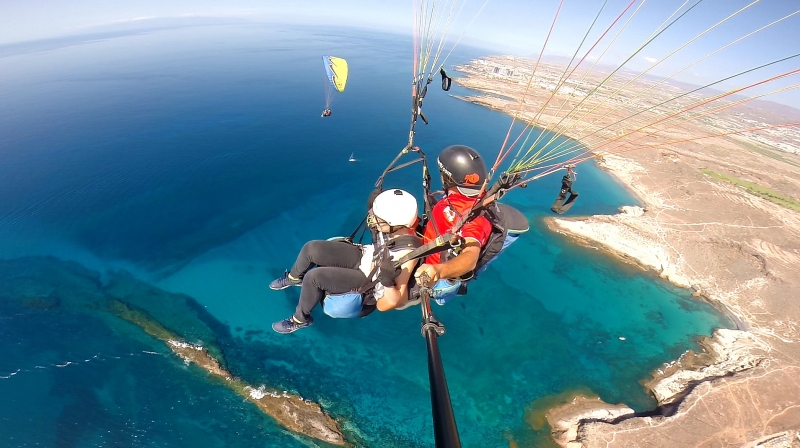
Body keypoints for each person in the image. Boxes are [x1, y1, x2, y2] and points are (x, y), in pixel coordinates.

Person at [269, 189, 421, 334]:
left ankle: (300, 319)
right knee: (311, 248)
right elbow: (378, 231)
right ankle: (294, 278)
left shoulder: (406, 254)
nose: (373, 220)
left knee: (313, 278)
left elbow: (393, 302)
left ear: (395, 224)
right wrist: (373, 207)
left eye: (378, 219)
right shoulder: (391, 224)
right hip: (365, 256)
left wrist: (387, 281)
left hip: (368, 281)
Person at [414, 145, 493, 286]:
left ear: (449, 179)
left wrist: (438, 271)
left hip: (431, 272)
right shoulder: (468, 195)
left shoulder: (476, 216)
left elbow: (471, 256)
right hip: (427, 246)